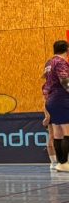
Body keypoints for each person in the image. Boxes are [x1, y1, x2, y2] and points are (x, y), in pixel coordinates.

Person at [42, 39, 69, 173]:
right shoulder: (61, 62)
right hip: (61, 99)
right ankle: (64, 164)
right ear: (67, 50)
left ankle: (60, 164)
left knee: (57, 133)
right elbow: (65, 81)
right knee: (67, 132)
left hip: (51, 100)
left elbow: (46, 82)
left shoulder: (49, 62)